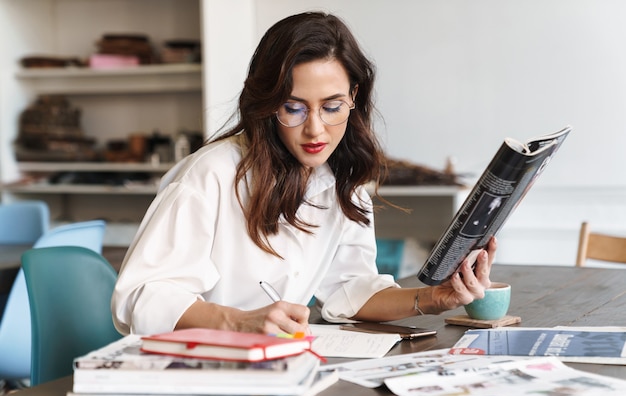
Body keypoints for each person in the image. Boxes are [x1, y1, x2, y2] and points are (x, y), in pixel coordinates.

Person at [111, 11, 497, 337]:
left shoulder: (341, 178)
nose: (315, 130)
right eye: (293, 108)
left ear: (354, 98)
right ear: (265, 104)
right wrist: (240, 321)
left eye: (332, 107)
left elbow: (350, 290)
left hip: (277, 365)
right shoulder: (211, 174)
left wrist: (432, 299)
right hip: (199, 371)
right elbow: (139, 296)